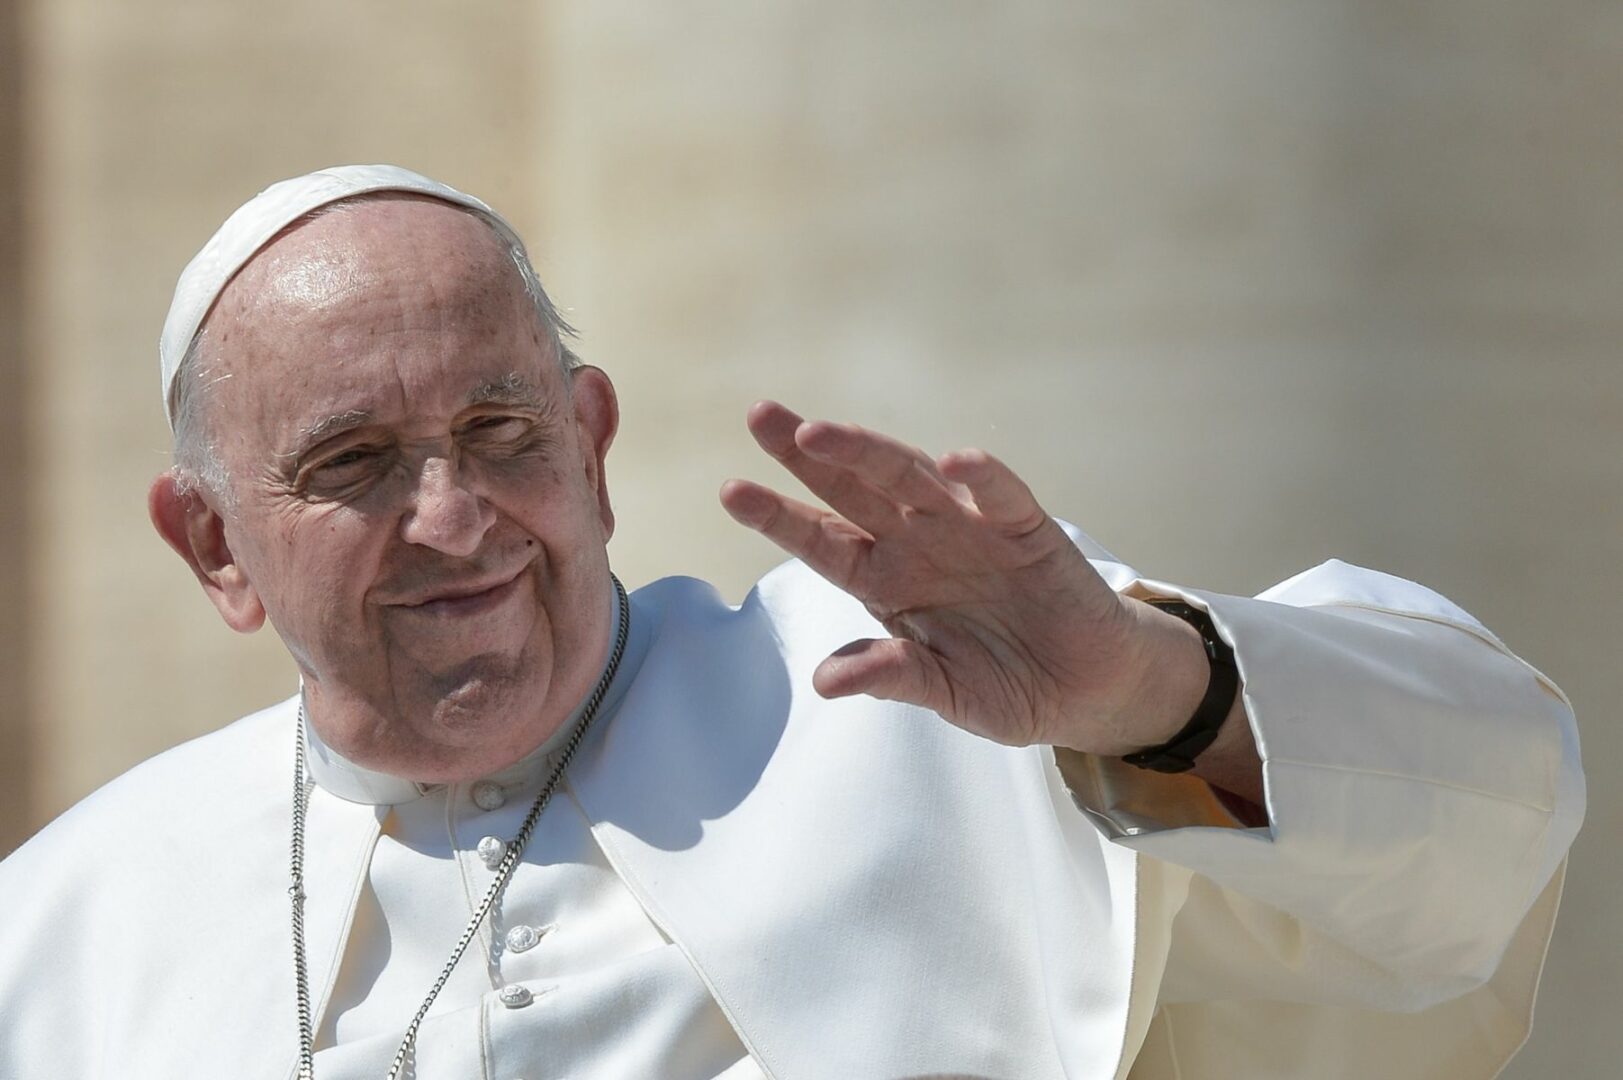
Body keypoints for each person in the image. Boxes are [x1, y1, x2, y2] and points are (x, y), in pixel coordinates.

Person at [0, 165, 1583, 1080]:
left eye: (504, 434)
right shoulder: (63, 933)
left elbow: (1490, 824)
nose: (457, 518)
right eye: (354, 465)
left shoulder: (924, 706)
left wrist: (1155, 695)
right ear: (213, 545)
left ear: (594, 442)